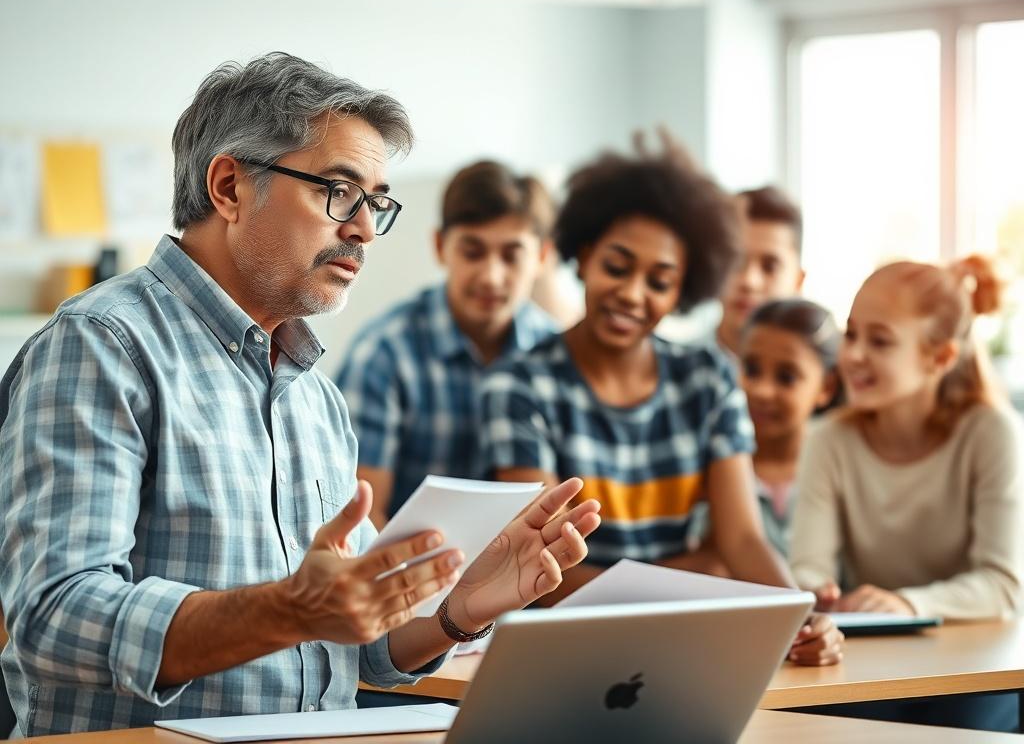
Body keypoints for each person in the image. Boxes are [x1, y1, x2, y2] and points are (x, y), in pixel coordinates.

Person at [0, 53, 600, 737]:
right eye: (338, 192)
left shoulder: (315, 394)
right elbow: (55, 615)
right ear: (229, 187)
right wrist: (289, 610)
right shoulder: (103, 347)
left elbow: (360, 645)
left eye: (376, 203)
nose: (365, 229)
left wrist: (462, 605)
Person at [479, 140, 842, 665]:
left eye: (660, 281)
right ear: (583, 257)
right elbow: (539, 569)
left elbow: (741, 540)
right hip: (564, 651)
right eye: (617, 266)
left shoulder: (708, 377)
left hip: (684, 645)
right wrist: (700, 572)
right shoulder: (519, 385)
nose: (632, 294)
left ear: (684, 291)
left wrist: (799, 618)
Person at [789, 255, 1022, 620]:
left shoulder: (991, 434)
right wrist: (816, 593)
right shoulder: (827, 441)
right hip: (879, 655)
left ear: (941, 358)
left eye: (879, 341)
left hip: (979, 660)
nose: (853, 355)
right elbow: (807, 569)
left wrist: (910, 604)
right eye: (850, 334)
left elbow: (1003, 586)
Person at [336, 161, 557, 527]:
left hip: (521, 570)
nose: (491, 276)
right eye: (473, 252)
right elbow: (360, 515)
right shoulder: (383, 354)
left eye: (511, 255)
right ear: (440, 247)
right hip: (406, 569)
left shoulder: (554, 350)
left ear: (542, 258)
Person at [688, 298, 842, 556]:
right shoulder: (708, 462)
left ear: (826, 387)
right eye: (751, 370)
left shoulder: (840, 461)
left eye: (787, 377)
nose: (761, 391)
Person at [715, 186, 806, 358]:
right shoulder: (671, 369)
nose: (749, 281)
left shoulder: (832, 377)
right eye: (736, 262)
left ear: (798, 280)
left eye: (770, 266)